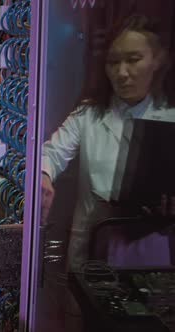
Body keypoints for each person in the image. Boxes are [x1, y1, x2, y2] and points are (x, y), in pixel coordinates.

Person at [41, 14, 174, 331]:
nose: (122, 73)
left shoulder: (170, 117)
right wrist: (43, 177)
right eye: (114, 62)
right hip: (92, 239)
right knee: (84, 318)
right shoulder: (89, 113)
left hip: (150, 248)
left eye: (134, 60)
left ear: (157, 60)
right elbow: (51, 152)